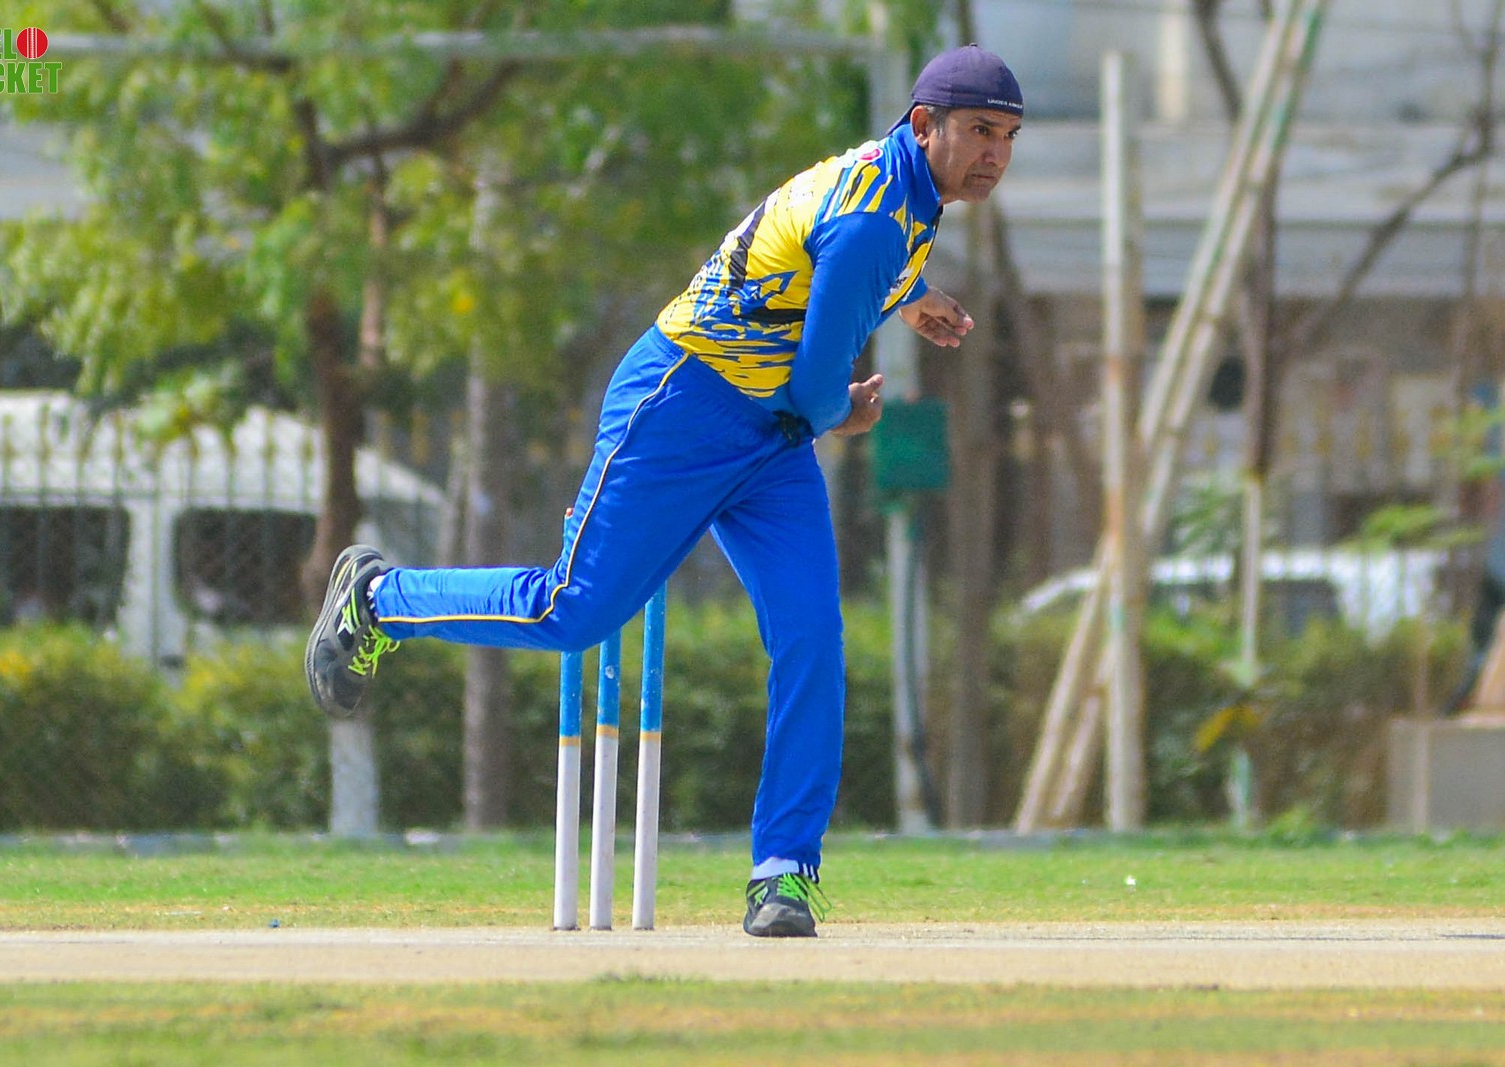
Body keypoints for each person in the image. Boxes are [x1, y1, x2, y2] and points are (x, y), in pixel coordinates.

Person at [306, 44, 1024, 937]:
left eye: (1008, 137)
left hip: (767, 436)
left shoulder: (904, 192)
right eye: (980, 131)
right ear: (924, 124)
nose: (995, 153)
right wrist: (846, 411)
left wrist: (908, 297)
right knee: (574, 611)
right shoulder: (879, 217)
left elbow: (827, 270)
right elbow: (816, 384)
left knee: (810, 637)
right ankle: (380, 598)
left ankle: (783, 873)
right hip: (683, 404)